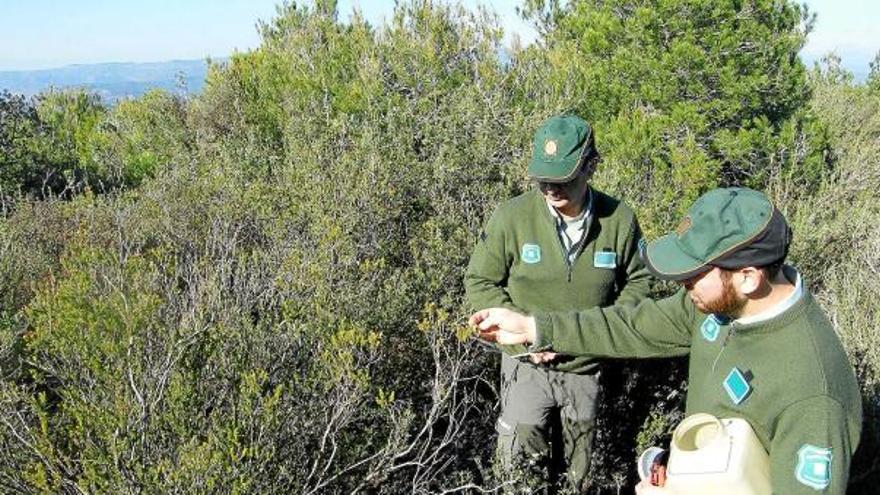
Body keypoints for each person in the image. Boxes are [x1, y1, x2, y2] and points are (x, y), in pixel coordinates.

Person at [470, 187, 863, 494]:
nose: (681, 283)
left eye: (693, 274)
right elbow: (634, 325)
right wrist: (535, 328)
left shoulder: (814, 397)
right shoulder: (721, 306)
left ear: (748, 276)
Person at [465, 114, 652, 491]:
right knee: (519, 471)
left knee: (582, 475)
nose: (550, 188)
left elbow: (640, 281)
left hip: (587, 368)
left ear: (591, 167)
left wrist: (604, 332)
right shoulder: (512, 217)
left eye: (563, 177)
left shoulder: (619, 220)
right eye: (543, 178)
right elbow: (480, 281)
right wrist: (520, 341)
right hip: (525, 369)